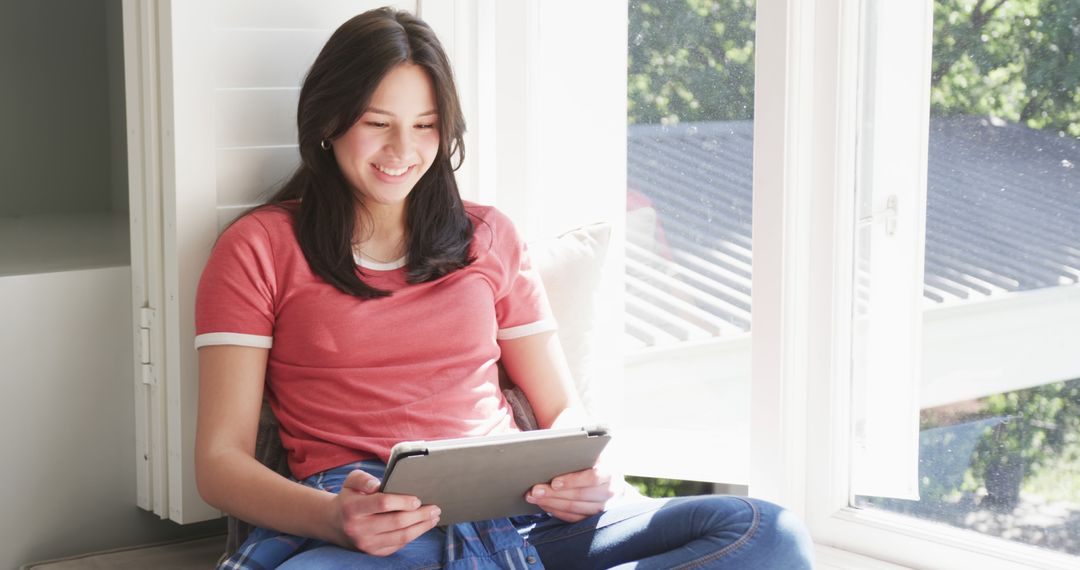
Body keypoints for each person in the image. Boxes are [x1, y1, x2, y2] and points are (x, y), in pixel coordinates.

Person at [194, 7, 814, 569]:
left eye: (426, 125)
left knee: (763, 531)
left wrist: (589, 472)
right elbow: (219, 464)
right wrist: (332, 518)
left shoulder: (487, 235)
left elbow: (562, 411)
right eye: (376, 122)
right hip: (377, 529)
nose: (402, 151)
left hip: (525, 514)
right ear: (328, 121)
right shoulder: (259, 247)